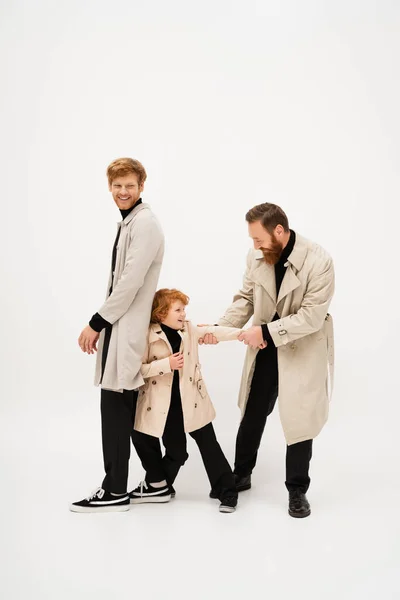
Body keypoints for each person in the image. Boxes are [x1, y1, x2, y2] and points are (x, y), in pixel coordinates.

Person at [199, 203, 334, 518]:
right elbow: (246, 299)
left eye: (258, 239)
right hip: (265, 348)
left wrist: (266, 332)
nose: (254, 246)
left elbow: (312, 317)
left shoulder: (319, 261)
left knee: (299, 421)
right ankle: (241, 473)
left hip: (301, 348)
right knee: (253, 411)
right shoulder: (257, 256)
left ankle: (297, 491)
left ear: (279, 231)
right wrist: (219, 330)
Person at [70, 158, 165, 513]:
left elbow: (129, 283)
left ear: (142, 186)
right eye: (117, 186)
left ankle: (115, 491)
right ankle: (156, 480)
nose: (123, 192)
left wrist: (96, 322)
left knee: (115, 408)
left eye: (129, 185)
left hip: (126, 329)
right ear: (110, 188)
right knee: (127, 407)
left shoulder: (146, 224)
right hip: (122, 327)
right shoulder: (131, 222)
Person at [130, 288, 242, 513]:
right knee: (177, 452)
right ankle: (160, 485)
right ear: (161, 314)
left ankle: (227, 491)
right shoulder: (147, 335)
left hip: (191, 399)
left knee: (209, 444)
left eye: (184, 309)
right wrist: (166, 365)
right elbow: (135, 371)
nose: (183, 314)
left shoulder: (189, 329)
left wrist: (243, 335)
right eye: (178, 310)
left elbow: (213, 332)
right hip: (164, 405)